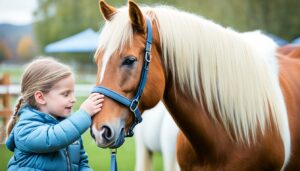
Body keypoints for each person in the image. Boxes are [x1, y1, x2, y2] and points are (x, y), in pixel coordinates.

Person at [5, 57, 104, 171]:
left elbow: (81, 163)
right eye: (66, 94)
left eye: (73, 93)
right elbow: (52, 139)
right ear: (41, 97)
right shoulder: (25, 128)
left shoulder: (69, 128)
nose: (73, 99)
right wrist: (84, 113)